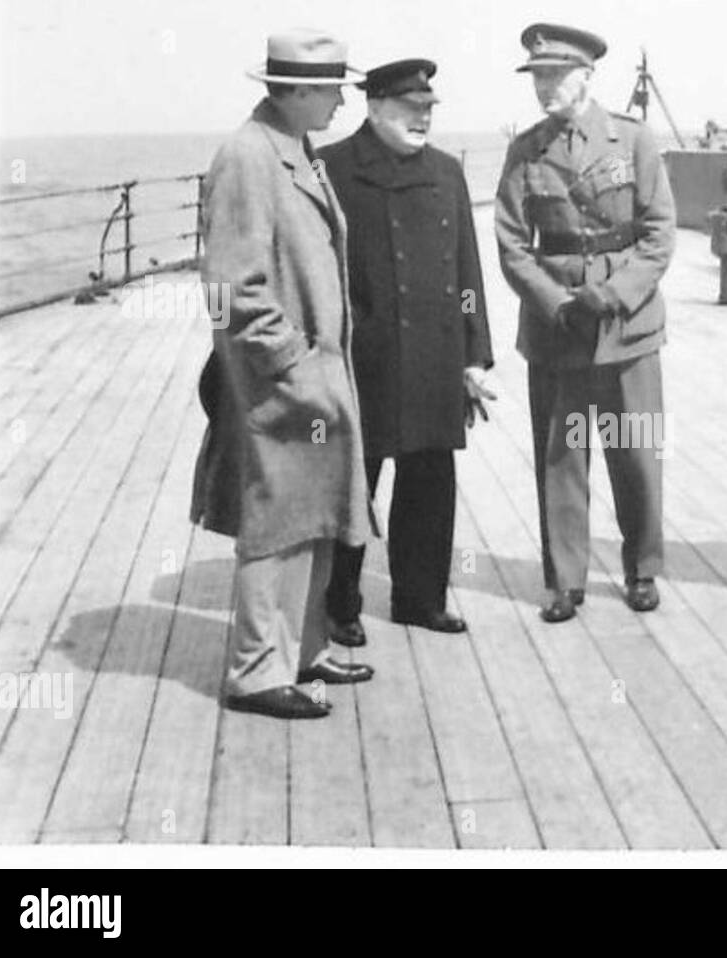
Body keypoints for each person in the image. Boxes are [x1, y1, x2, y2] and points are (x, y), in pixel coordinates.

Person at [191, 29, 375, 720]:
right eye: (331, 89)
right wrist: (291, 361)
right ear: (295, 90)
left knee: (317, 512)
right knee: (276, 518)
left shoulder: (291, 148)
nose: (340, 101)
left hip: (316, 370)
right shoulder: (247, 156)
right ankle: (256, 673)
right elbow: (231, 287)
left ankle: (302, 648)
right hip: (281, 379)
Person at [495, 23, 676, 624]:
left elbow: (658, 234)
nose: (544, 87)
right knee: (563, 458)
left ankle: (643, 568)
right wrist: (558, 302)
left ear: (587, 76)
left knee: (635, 454)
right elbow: (513, 244)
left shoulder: (632, 139)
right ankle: (565, 579)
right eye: (537, 76)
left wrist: (613, 295)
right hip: (558, 332)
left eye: (555, 75)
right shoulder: (526, 151)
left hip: (627, 328)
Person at [318, 58, 495, 638]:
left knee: (429, 481)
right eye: (409, 109)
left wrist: (474, 355)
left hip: (434, 358)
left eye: (428, 109)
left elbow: (468, 272)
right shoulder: (333, 169)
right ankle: (339, 601)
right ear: (373, 108)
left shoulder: (446, 172)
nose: (422, 119)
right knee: (351, 483)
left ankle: (421, 598)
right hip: (362, 358)